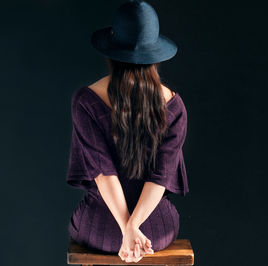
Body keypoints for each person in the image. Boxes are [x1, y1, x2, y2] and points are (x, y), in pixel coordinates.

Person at [66, 0, 189, 263]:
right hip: (156, 231)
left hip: (99, 229)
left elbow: (104, 174)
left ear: (111, 53)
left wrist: (126, 229)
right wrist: (133, 228)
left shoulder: (86, 101)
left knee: (80, 222)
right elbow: (161, 177)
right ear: (155, 54)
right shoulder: (175, 106)